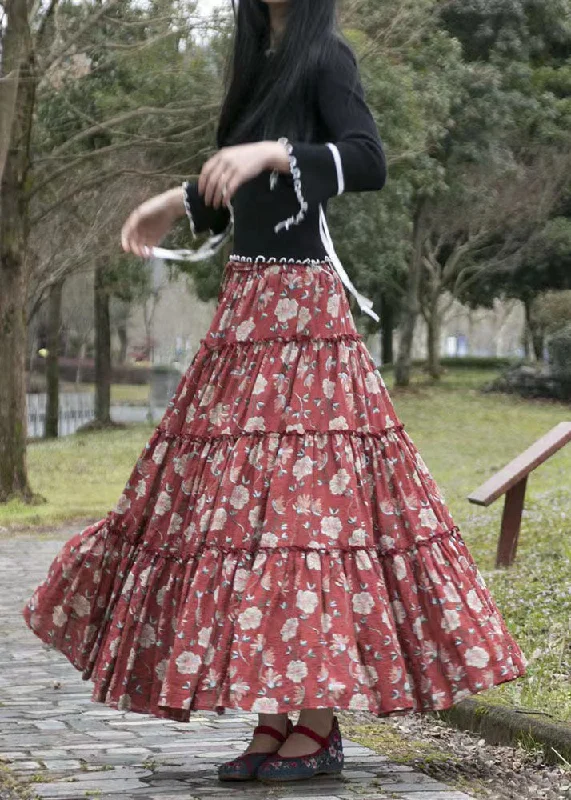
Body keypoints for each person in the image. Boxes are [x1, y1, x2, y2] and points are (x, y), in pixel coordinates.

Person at [22, 0, 528, 786]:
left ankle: (316, 726)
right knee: (240, 517)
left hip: (304, 322)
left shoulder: (328, 56)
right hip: (245, 315)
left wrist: (274, 151)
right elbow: (248, 190)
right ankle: (273, 719)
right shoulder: (261, 64)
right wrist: (181, 199)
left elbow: (366, 159)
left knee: (305, 518)